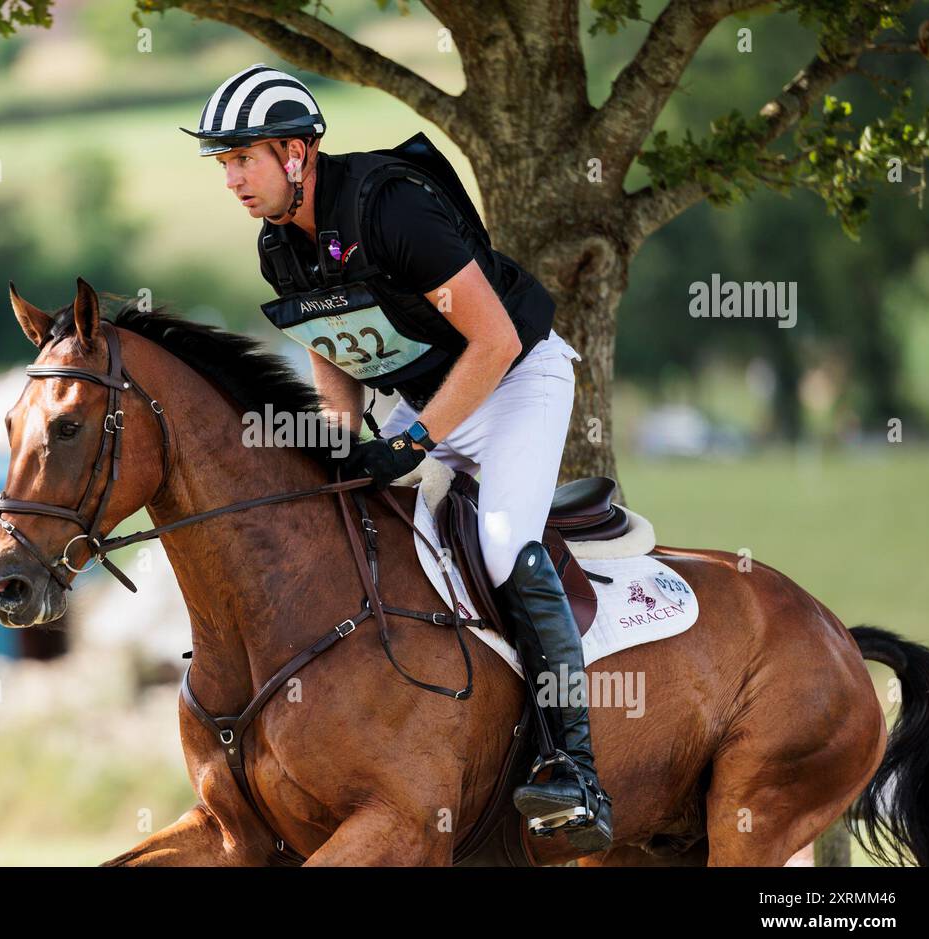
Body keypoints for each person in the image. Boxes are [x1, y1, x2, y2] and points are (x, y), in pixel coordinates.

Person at [181, 65, 611, 851]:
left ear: (296, 154)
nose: (232, 179)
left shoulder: (391, 206)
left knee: (503, 540)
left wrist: (411, 441)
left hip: (513, 383)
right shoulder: (279, 245)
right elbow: (333, 351)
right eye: (224, 164)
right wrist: (347, 444)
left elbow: (496, 340)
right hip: (429, 397)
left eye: (243, 158)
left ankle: (573, 771)